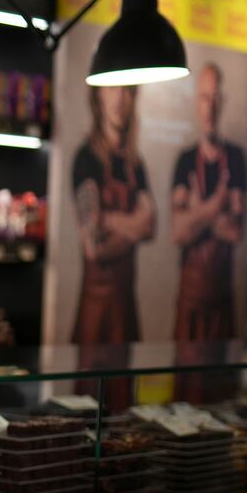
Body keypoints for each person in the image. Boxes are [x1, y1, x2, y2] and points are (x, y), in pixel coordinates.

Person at [70, 84, 155, 346]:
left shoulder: (136, 165)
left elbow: (150, 227)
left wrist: (108, 220)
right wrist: (133, 227)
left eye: (127, 90)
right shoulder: (86, 160)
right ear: (99, 97)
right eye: (113, 89)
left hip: (126, 305)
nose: (120, 97)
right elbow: (94, 246)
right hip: (95, 310)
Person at [170, 63, 247, 341]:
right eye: (204, 98)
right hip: (190, 302)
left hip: (223, 302)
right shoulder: (185, 160)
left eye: (215, 98)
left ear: (222, 102)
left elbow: (236, 231)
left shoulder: (236, 159)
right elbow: (178, 232)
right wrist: (216, 206)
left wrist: (196, 215)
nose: (210, 107)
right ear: (196, 103)